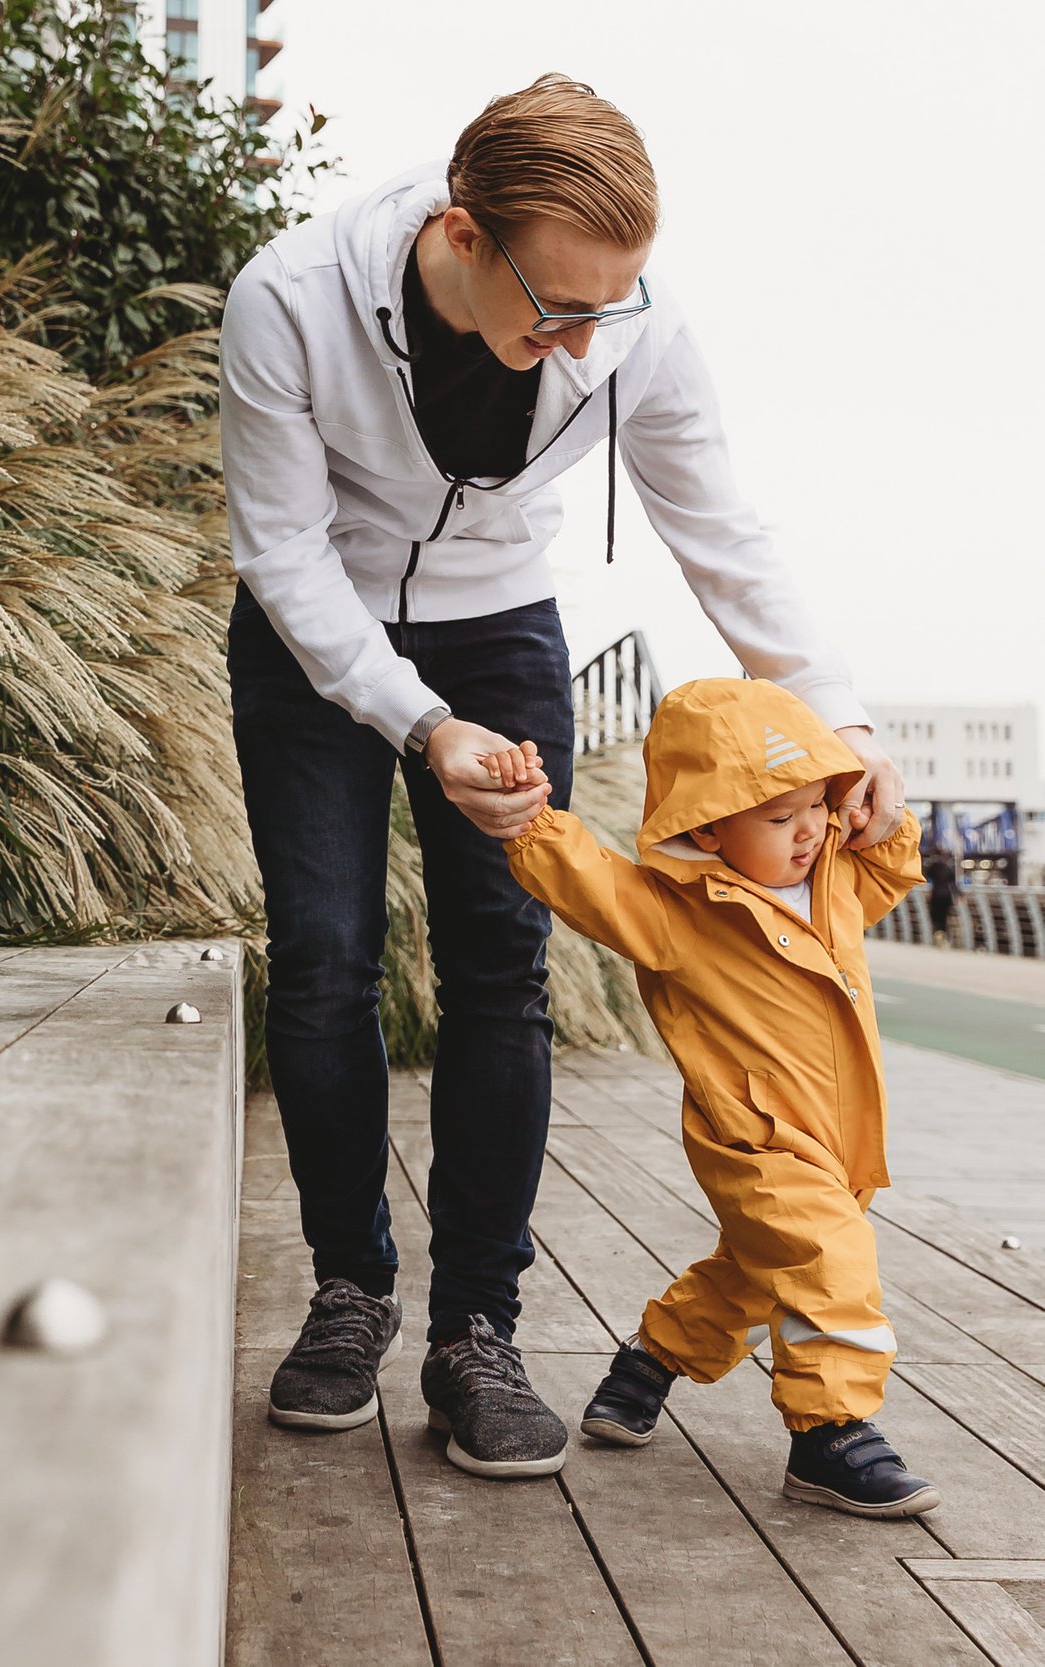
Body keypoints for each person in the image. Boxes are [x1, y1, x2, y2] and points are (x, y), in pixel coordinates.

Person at [221, 72, 905, 1478]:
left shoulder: (630, 329)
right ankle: (348, 1289)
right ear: (463, 235)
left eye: (614, 306)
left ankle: (478, 1323)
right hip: (312, 638)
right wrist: (421, 723)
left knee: (500, 961)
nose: (586, 339)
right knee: (326, 958)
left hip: (501, 622)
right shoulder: (288, 298)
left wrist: (846, 728)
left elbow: (719, 525)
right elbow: (283, 552)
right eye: (561, 307)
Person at [486, 678, 938, 1517]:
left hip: (841, 1137)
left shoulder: (831, 880)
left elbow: (888, 865)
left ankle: (649, 1358)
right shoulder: (677, 914)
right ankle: (831, 1431)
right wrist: (534, 820)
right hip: (755, 1134)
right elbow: (593, 882)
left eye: (816, 805)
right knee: (826, 1262)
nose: (806, 830)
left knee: (758, 1277)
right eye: (777, 817)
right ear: (708, 824)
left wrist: (888, 814)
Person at [924, 842, 960, 947]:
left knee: (936, 916)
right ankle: (944, 939)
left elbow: (926, 875)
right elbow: (953, 882)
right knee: (945, 917)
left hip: (936, 894)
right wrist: (959, 895)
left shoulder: (933, 865)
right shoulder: (948, 865)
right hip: (948, 895)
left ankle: (937, 939)